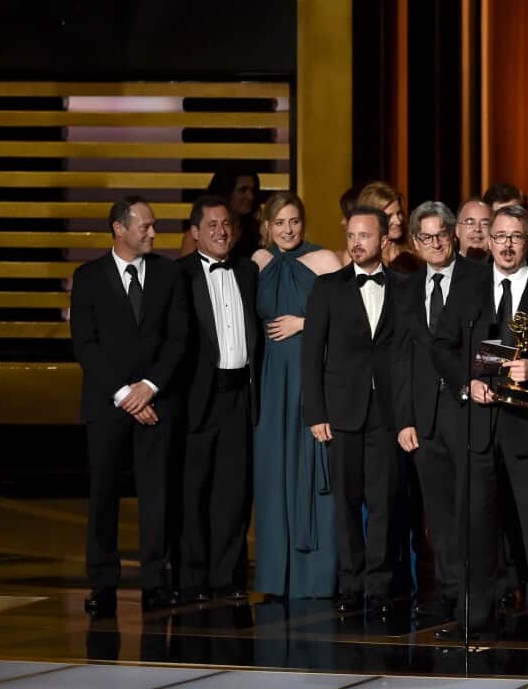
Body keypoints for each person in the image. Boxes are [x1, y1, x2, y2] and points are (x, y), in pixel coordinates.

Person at [429, 204, 528, 643]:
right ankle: (474, 617)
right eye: (498, 236)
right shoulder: (467, 287)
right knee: (475, 527)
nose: (506, 244)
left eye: (515, 236)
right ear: (488, 241)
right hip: (477, 426)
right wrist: (466, 382)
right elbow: (441, 345)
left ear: (527, 241)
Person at [71, 196, 188, 615]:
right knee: (103, 495)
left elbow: (179, 339)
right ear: (119, 229)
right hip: (108, 407)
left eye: (154, 226)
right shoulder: (87, 277)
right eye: (146, 226)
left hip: (156, 404)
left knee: (157, 495)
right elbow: (86, 344)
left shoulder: (169, 274)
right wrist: (125, 394)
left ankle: (157, 582)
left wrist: (150, 387)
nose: (154, 233)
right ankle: (102, 583)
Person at [301, 207, 402, 618]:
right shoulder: (327, 287)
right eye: (352, 235)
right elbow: (312, 354)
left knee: (383, 502)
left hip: (388, 410)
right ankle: (351, 583)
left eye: (366, 235)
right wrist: (315, 412)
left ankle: (378, 586)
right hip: (341, 410)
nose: (357, 242)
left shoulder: (403, 286)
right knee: (345, 503)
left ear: (382, 239)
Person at [393, 200, 491, 624]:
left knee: (477, 508)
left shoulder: (479, 277)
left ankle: (483, 594)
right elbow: (399, 358)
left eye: (440, 235)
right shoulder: (407, 288)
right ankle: (450, 592)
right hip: (425, 417)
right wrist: (404, 418)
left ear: (453, 235)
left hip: (469, 411)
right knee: (440, 514)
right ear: (415, 242)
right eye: (425, 237)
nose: (434, 243)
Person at [251, 192, 343, 599]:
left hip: (310, 377)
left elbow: (350, 316)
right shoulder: (258, 262)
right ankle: (275, 578)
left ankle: (315, 576)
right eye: (280, 223)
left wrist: (304, 323)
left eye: (294, 221)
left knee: (311, 468)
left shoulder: (324, 261)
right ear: (267, 226)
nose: (288, 230)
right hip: (271, 382)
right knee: (274, 472)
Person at [176, 195, 261, 603]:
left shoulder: (247, 271)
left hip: (239, 396)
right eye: (211, 225)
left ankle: (228, 576)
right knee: (193, 492)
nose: (221, 231)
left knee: (233, 491)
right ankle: (192, 579)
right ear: (195, 232)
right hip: (196, 398)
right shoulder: (177, 275)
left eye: (226, 224)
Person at [180, 168, 263, 262]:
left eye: (252, 191)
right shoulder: (196, 236)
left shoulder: (258, 232)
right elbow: (186, 271)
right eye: (243, 190)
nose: (250, 196)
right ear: (226, 191)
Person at [357, 181, 422, 274]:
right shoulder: (362, 259)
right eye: (389, 216)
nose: (398, 221)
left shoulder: (417, 251)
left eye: (399, 213)